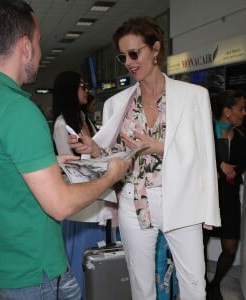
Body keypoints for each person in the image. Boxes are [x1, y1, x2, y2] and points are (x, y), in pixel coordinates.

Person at [0, 1, 130, 300]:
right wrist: (110, 175)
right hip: (35, 273)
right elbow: (59, 205)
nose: (40, 50)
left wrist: (49, 162)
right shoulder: (18, 110)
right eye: (38, 41)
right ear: (24, 46)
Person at [69, 16, 221, 300]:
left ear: (155, 49)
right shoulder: (117, 102)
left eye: (135, 53)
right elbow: (115, 155)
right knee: (140, 285)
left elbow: (205, 158)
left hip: (181, 197)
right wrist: (94, 149)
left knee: (193, 283)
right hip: (134, 200)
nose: (128, 62)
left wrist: (160, 149)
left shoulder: (193, 96)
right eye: (123, 56)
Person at [52, 71, 107, 298]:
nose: (86, 89)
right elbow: (70, 168)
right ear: (70, 90)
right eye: (81, 85)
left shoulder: (86, 119)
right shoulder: (62, 125)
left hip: (99, 199)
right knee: (82, 262)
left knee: (101, 260)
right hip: (80, 205)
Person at [204, 91, 246, 300]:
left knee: (230, 248)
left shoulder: (241, 135)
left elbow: (243, 162)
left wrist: (234, 170)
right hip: (205, 197)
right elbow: (195, 158)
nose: (244, 113)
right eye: (240, 109)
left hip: (229, 198)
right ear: (228, 112)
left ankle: (215, 283)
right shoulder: (205, 130)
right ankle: (201, 284)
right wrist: (220, 166)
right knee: (199, 245)